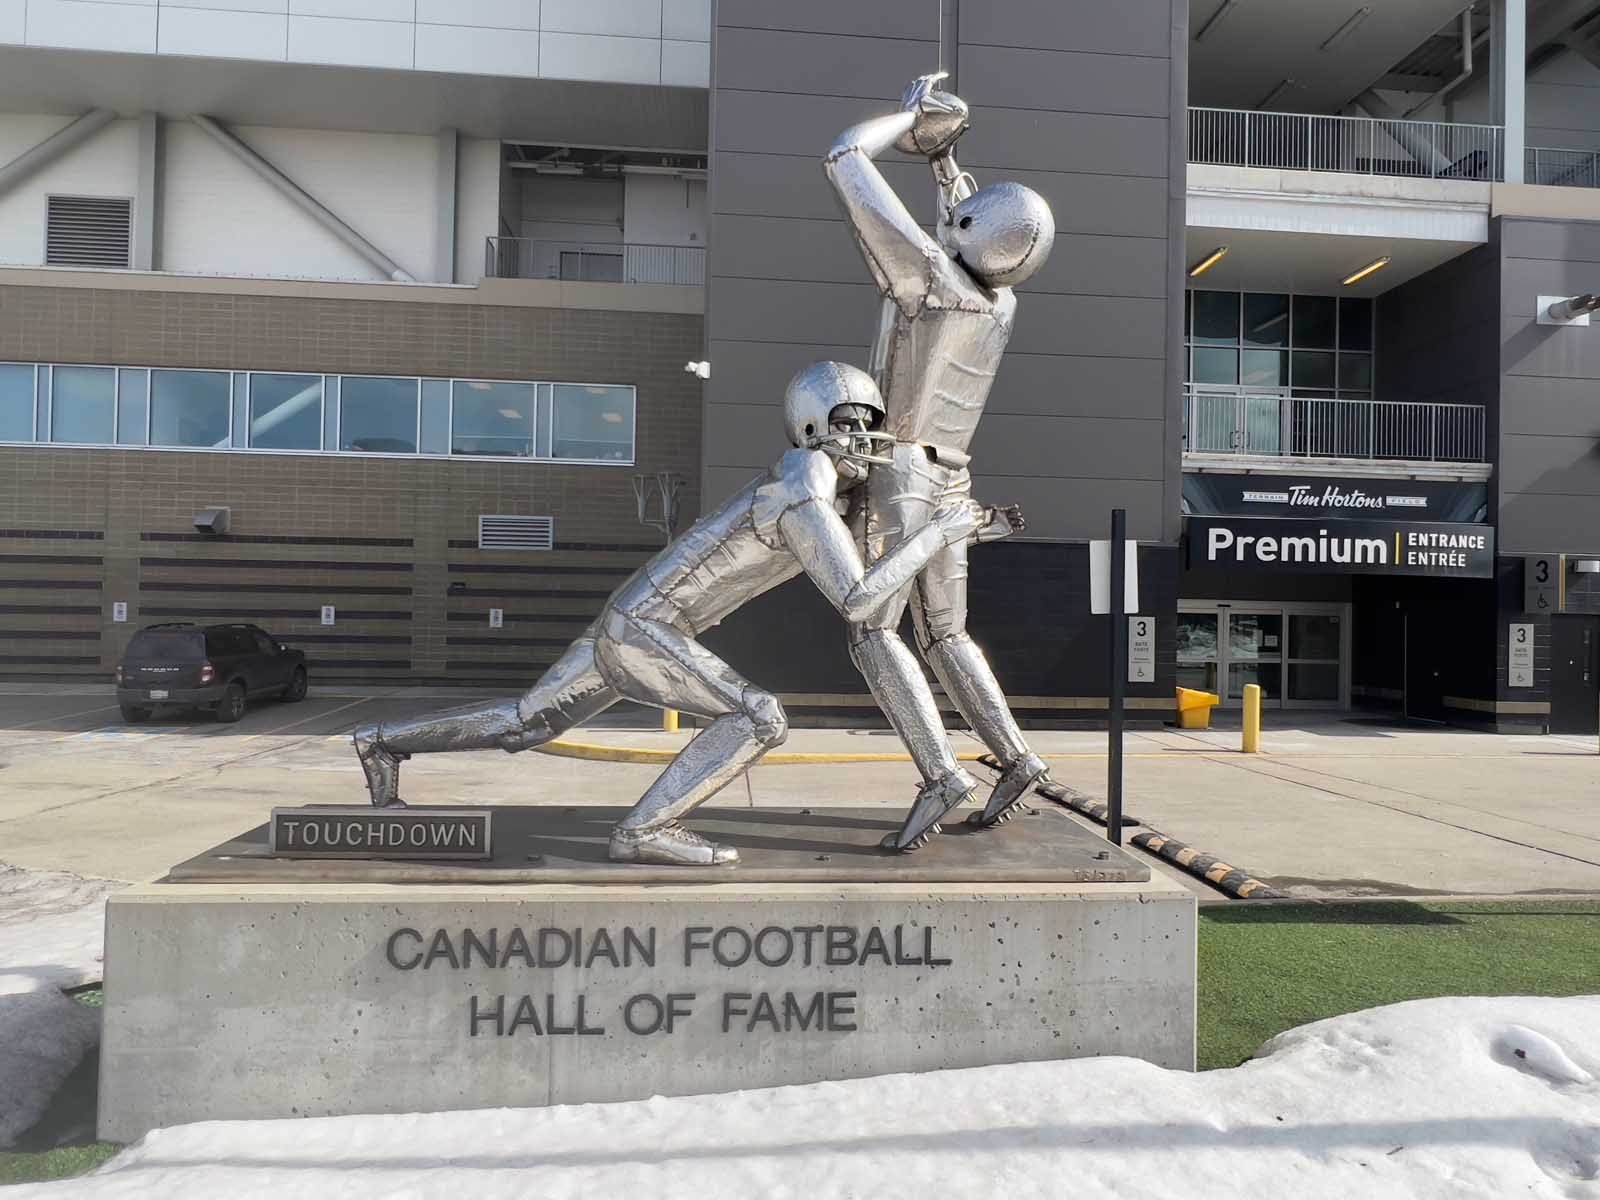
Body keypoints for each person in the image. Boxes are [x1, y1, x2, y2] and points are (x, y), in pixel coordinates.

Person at [351, 362, 992, 866]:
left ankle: (381, 743)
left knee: (526, 723)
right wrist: (940, 532)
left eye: (868, 422)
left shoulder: (815, 487)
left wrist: (956, 532)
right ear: (810, 428)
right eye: (848, 422)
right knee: (759, 717)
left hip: (632, 622)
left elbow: (879, 565)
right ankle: (644, 829)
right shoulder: (804, 479)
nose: (863, 438)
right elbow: (860, 600)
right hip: (644, 630)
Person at [824, 73, 1057, 842]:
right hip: (956, 473)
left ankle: (940, 773)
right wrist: (943, 160)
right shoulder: (1000, 301)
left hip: (900, 472)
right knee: (947, 634)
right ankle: (1016, 756)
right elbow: (971, 225)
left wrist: (912, 119)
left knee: (873, 630)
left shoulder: (928, 282)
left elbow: (844, 158)